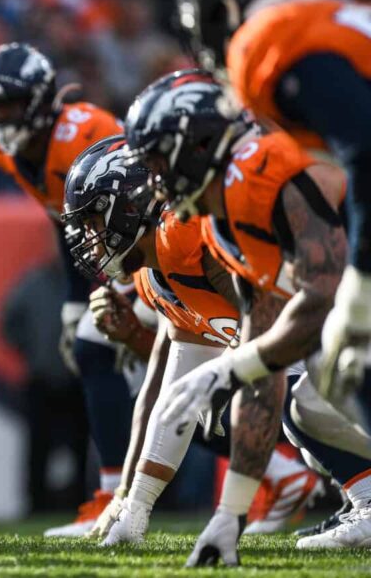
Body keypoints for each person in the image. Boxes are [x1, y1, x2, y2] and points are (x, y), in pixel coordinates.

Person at [122, 70, 371, 562]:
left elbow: (318, 298)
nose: (152, 183)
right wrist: (230, 514)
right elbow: (267, 369)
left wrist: (227, 367)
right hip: (350, 302)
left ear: (197, 148)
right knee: (301, 404)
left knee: (329, 382)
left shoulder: (260, 175)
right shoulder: (218, 224)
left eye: (157, 160)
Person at [58, 125, 321, 549]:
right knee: (278, 407)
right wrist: (133, 502)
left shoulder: (187, 238)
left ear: (127, 208)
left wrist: (229, 375)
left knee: (305, 408)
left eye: (93, 221)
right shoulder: (152, 275)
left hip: (333, 337)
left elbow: (272, 322)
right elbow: (165, 391)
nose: (90, 239)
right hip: (303, 353)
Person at [173, 0, 371, 400]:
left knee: (345, 365)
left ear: (220, 6)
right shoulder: (347, 16)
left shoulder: (272, 39)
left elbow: (367, 150)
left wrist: (362, 286)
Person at [0, 42, 133, 536]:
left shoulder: (83, 132)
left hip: (157, 254)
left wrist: (122, 284)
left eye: (9, 105)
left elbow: (137, 208)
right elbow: (67, 223)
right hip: (120, 263)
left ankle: (115, 498)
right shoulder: (10, 153)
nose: (0, 119)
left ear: (39, 100)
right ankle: (115, 497)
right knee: (116, 362)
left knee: (115, 358)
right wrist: (73, 300)